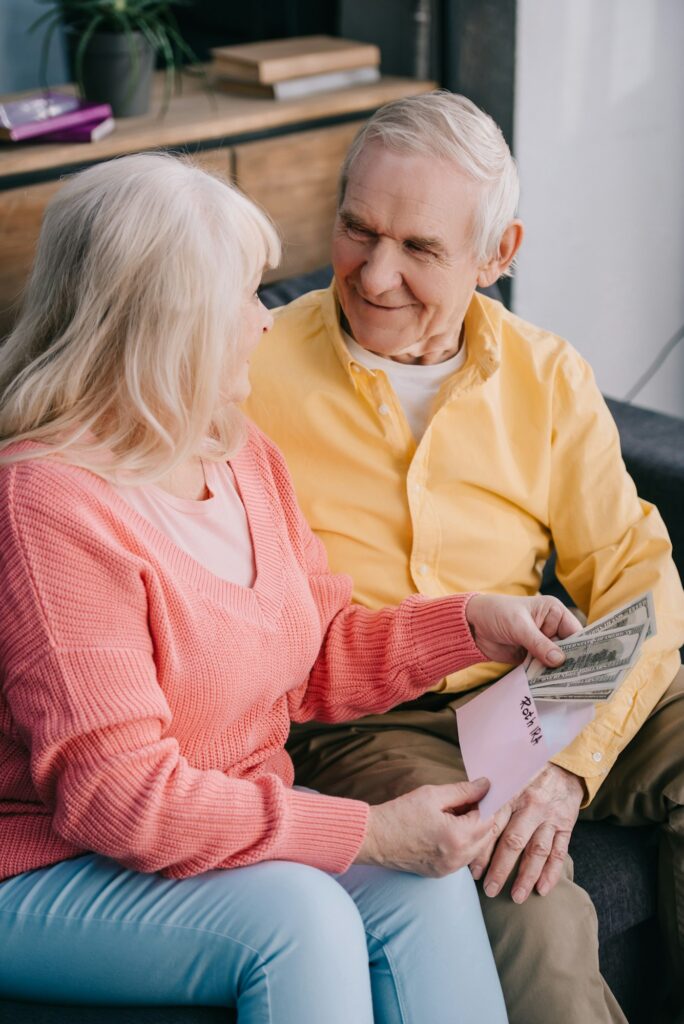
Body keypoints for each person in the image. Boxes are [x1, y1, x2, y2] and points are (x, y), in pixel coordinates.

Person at [0, 152, 583, 1024]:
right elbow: (118, 799)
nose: (265, 322)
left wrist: (471, 624)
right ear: (172, 322)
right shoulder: (44, 501)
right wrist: (368, 828)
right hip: (45, 865)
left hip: (223, 827)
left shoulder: (236, 452)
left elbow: (312, 658)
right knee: (300, 917)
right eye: (244, 297)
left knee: (420, 888)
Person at [244, 91, 684, 1024]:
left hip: (539, 686)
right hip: (373, 722)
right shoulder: (250, 365)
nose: (374, 273)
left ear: (498, 256)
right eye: (357, 229)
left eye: (421, 248)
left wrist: (573, 763)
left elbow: (639, 577)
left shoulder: (547, 375)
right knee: (524, 896)